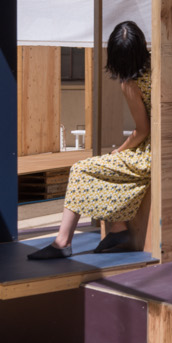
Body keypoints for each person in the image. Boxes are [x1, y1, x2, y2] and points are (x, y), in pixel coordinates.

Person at [28, 22, 152, 260]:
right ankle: (117, 229)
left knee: (81, 169)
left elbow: (142, 130)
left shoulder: (131, 82)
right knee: (103, 168)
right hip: (166, 148)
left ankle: (63, 242)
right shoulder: (158, 67)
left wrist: (120, 150)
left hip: (149, 154)